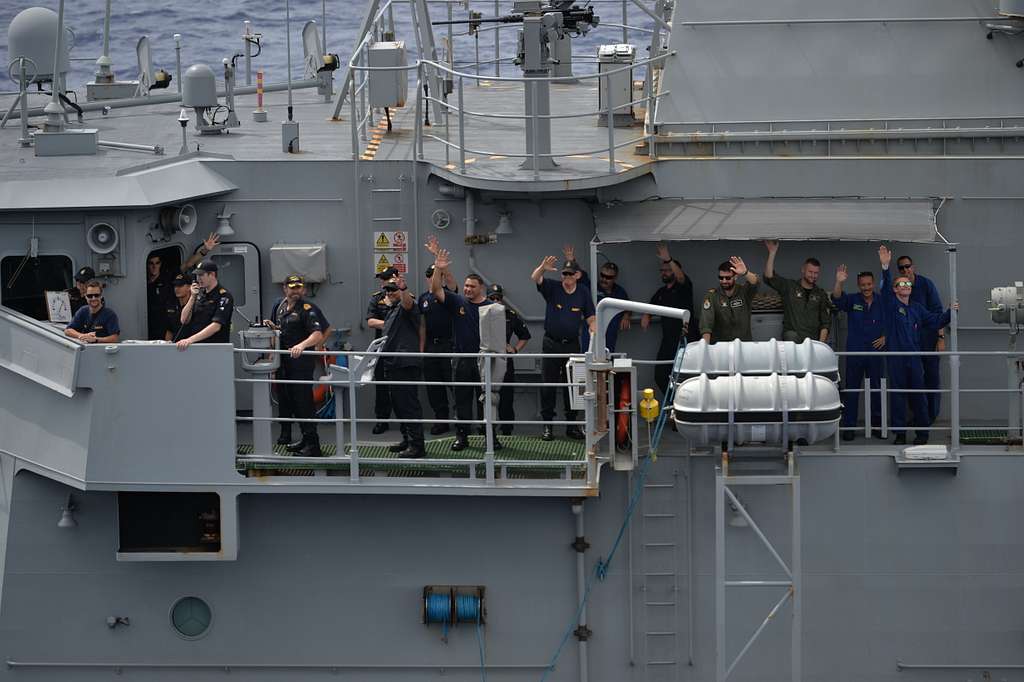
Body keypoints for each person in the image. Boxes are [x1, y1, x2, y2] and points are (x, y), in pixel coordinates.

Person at [878, 245, 958, 446]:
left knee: (919, 396)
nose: (905, 284)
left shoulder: (917, 309)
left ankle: (923, 433)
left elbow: (936, 320)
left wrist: (950, 312)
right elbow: (886, 287)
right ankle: (900, 434)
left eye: (908, 283)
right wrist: (885, 266)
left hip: (914, 358)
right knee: (897, 397)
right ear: (895, 289)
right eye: (901, 283)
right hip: (896, 358)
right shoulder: (890, 305)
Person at [430, 248, 493, 451]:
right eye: (465, 286)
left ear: (480, 288)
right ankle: (462, 437)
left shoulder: (492, 307)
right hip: (462, 360)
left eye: (471, 286)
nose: (467, 289)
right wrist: (439, 270)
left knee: (486, 400)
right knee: (462, 400)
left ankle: (489, 437)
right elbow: (436, 290)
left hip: (484, 360)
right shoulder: (458, 301)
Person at [531, 254, 596, 441]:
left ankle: (571, 425)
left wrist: (594, 327)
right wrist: (542, 267)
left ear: (577, 275)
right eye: (564, 274)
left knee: (574, 386)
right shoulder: (553, 288)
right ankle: (548, 426)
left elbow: (590, 316)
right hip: (551, 343)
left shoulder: (583, 292)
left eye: (570, 274)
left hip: (572, 345)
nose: (566, 278)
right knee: (548, 385)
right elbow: (536, 278)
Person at [265, 275, 326, 456]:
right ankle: (305, 439)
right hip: (284, 363)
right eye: (292, 287)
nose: (295, 291)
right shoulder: (281, 307)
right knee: (292, 402)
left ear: (304, 290)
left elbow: (317, 334)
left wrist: (302, 345)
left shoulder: (307, 309)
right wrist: (273, 329)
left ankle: (313, 446)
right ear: (285, 289)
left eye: (299, 287)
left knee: (304, 403)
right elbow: (282, 331)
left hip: (300, 364)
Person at [831, 264, 886, 441]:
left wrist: (887, 337)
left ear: (873, 284)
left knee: (876, 390)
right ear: (858, 285)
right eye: (863, 285)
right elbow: (837, 300)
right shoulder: (853, 300)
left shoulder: (882, 301)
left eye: (869, 284)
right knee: (852, 391)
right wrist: (839, 282)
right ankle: (849, 427)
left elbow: (893, 321)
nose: (866, 288)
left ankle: (877, 426)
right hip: (855, 353)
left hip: (876, 354)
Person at [895, 254, 946, 425]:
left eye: (907, 266)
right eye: (901, 268)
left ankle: (930, 416)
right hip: (908, 345)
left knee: (931, 378)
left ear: (913, 266)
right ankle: (917, 417)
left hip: (928, 341)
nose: (905, 270)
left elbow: (938, 312)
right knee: (913, 382)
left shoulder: (926, 285)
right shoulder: (898, 289)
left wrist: (940, 337)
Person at [640, 243, 697, 395]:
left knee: (686, 376)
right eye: (662, 271)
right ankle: (672, 402)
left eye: (667, 270)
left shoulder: (684, 287)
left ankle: (682, 403)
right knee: (660, 375)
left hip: (686, 340)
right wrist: (647, 315)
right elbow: (651, 306)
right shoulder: (661, 292)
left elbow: (681, 277)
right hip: (668, 341)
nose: (664, 273)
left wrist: (669, 259)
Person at [763, 240, 832, 343]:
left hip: (812, 342)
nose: (813, 275)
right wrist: (772, 253)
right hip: (792, 342)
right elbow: (769, 277)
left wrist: (820, 345)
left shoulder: (820, 294)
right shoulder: (789, 286)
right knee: (791, 335)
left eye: (816, 273)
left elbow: (825, 323)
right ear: (803, 270)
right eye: (810, 272)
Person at [486, 283, 532, 436]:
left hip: (504, 361)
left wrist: (515, 349)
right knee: (485, 397)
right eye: (492, 298)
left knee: (506, 397)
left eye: (498, 298)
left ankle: (507, 430)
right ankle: (486, 430)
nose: (495, 301)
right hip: (485, 361)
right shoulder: (481, 314)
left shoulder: (510, 315)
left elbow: (525, 336)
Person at [419, 262, 457, 435]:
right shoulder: (423, 299)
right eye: (431, 275)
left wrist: (441, 265)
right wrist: (422, 349)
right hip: (431, 347)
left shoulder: (449, 295)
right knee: (434, 387)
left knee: (454, 384)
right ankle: (441, 421)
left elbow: (451, 282)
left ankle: (461, 422)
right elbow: (423, 326)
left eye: (437, 275)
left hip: (448, 345)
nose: (432, 279)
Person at [366, 267, 398, 434]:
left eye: (386, 278)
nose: (383, 282)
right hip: (382, 350)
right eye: (382, 279)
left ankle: (406, 422)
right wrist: (391, 323)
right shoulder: (376, 299)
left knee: (402, 388)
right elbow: (371, 321)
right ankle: (382, 420)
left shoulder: (404, 297)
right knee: (381, 387)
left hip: (400, 349)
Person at [176, 260, 235, 350]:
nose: (198, 279)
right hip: (197, 347)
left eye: (201, 275)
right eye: (197, 275)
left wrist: (190, 340)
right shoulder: (199, 294)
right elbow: (184, 320)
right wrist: (192, 297)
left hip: (214, 348)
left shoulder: (224, 296)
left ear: (212, 274)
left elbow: (216, 326)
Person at [699, 257, 760, 343]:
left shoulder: (744, 291)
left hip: (743, 344)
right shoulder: (711, 296)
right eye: (721, 278)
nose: (724, 281)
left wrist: (745, 273)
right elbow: (706, 323)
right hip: (720, 346)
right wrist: (705, 346)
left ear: (735, 277)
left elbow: (756, 283)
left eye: (727, 278)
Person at [146, 253, 175, 340]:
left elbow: (186, 265)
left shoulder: (167, 279)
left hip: (163, 325)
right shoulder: (142, 280)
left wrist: (204, 250)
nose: (154, 266)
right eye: (151, 263)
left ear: (160, 264)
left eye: (157, 263)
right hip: (147, 323)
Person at [164, 273, 191, 342]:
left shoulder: (196, 305)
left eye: (180, 285)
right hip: (175, 345)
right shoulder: (171, 305)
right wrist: (167, 346)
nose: (177, 288)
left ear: (189, 287)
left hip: (191, 344)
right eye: (175, 285)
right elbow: (169, 329)